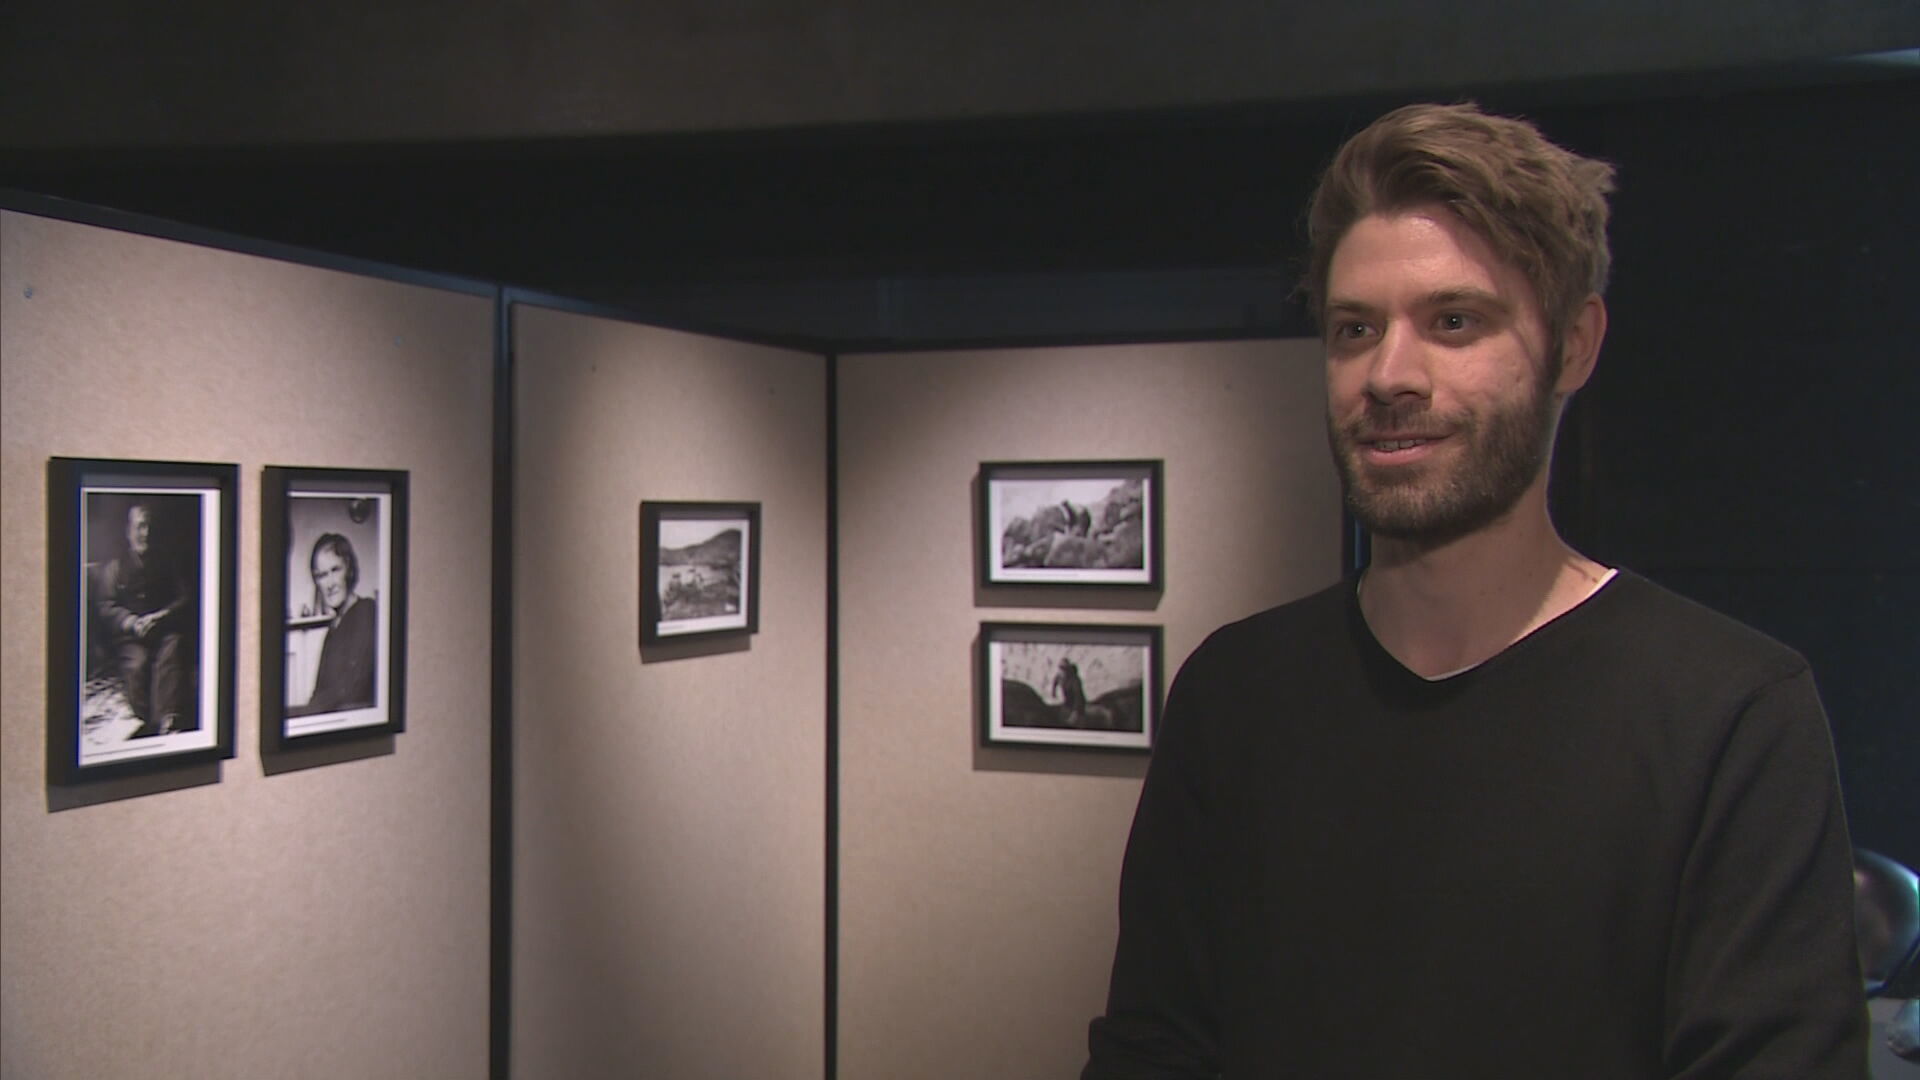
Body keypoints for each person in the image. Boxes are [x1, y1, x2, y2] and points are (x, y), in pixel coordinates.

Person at [1083, 103, 1867, 1078]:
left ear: (1573, 347)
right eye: (1353, 329)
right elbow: (1155, 1048)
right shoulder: (1236, 693)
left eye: (1454, 322)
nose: (1389, 374)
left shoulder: (1729, 712)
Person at [96, 501, 191, 737]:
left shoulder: (167, 563)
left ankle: (165, 720)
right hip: (130, 637)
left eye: (148, 527)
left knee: (172, 650)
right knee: (137, 663)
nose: (144, 533)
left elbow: (184, 597)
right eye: (139, 527)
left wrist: (161, 616)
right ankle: (143, 720)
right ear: (128, 532)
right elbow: (105, 605)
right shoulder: (114, 568)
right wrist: (131, 622)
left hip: (162, 631)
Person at [301, 532, 376, 714]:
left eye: (335, 570)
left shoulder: (367, 611)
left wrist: (310, 712)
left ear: (349, 570)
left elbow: (351, 689)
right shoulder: (333, 630)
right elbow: (319, 691)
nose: (330, 583)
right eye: (321, 575)